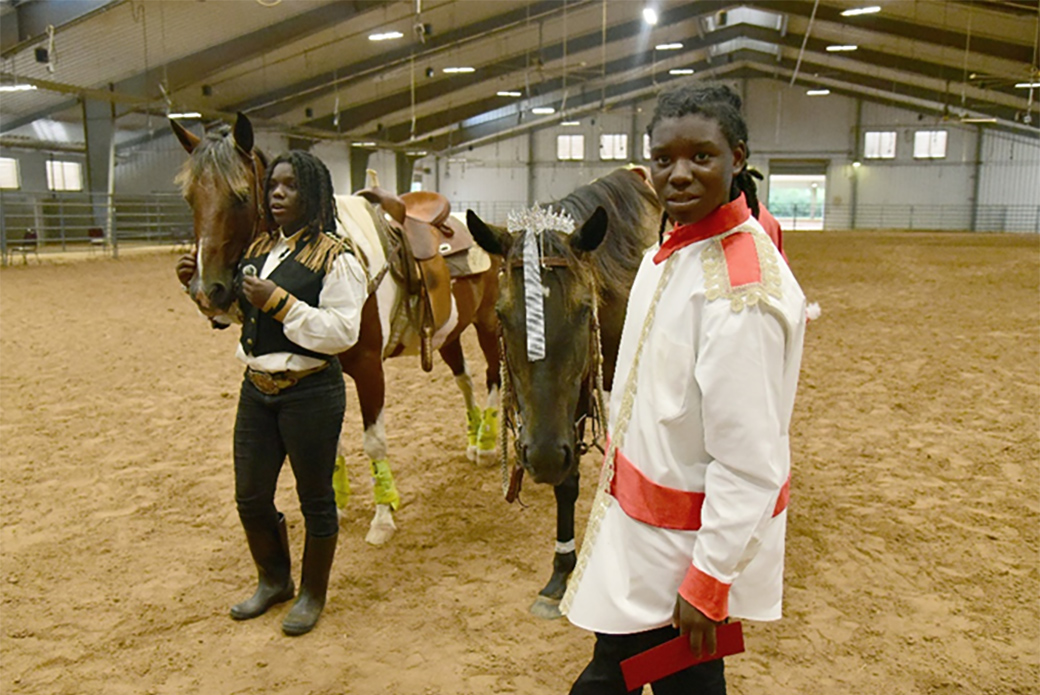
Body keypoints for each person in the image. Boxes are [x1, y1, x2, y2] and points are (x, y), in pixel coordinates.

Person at [560, 84, 807, 693]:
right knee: (619, 674)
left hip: (686, 556)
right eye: (664, 159)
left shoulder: (739, 292)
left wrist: (709, 578)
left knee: (667, 681)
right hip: (642, 536)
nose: (680, 174)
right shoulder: (668, 255)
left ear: (738, 158)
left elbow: (750, 460)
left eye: (702, 156)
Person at [176, 150, 368, 636]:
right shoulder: (259, 250)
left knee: (316, 499)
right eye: (274, 186)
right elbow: (239, 319)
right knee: (250, 497)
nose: (278, 194)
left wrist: (279, 302)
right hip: (256, 390)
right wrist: (199, 296)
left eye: (291, 186)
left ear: (314, 194)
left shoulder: (336, 257)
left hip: (311, 393)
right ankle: (274, 580)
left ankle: (311, 594)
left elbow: (342, 332)